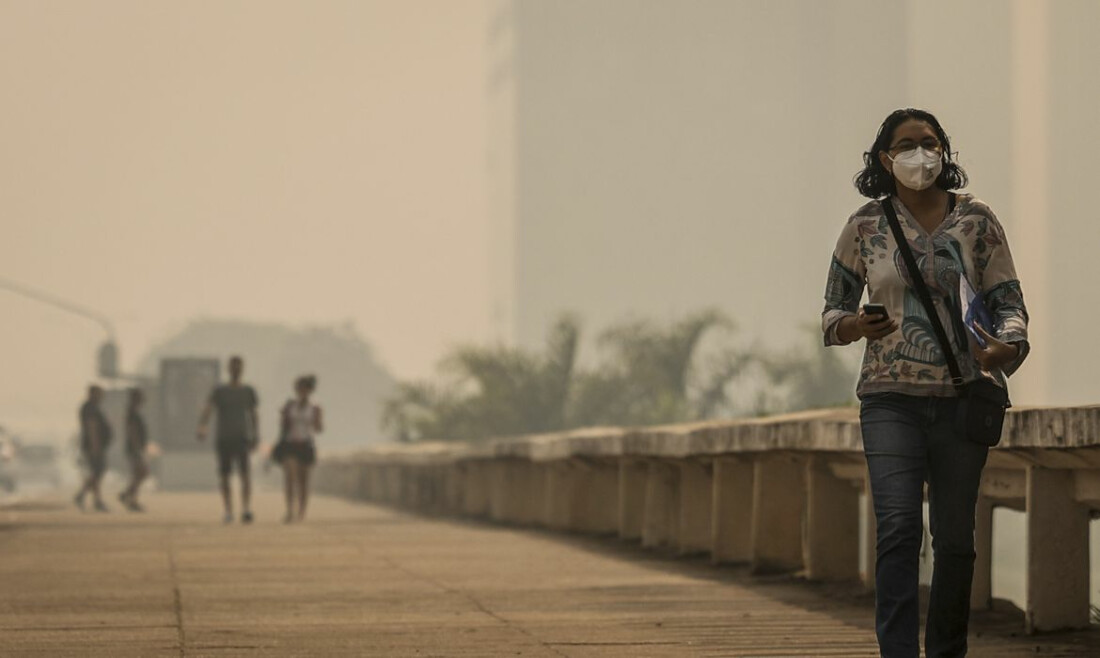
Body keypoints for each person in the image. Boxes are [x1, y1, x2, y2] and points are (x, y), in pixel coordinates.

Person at [822, 108, 1029, 658]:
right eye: (907, 144)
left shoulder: (977, 221)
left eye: (930, 142)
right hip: (890, 398)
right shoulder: (864, 225)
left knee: (956, 540)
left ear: (945, 151)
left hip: (962, 399)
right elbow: (831, 313)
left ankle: (945, 650)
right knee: (897, 528)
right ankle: (897, 651)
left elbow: (1009, 304)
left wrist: (1009, 345)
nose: (921, 154)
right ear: (885, 159)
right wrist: (854, 325)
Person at [197, 356, 260, 524]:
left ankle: (246, 508)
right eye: (233, 367)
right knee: (225, 476)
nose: (236, 370)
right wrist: (202, 426)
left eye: (238, 367)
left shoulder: (248, 391)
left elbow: (253, 414)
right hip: (224, 437)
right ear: (229, 369)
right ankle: (228, 510)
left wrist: (256, 435)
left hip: (242, 437)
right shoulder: (220, 391)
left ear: (242, 369)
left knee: (245, 474)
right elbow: (208, 409)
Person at [273, 375, 323, 523]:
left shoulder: (314, 407)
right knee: (290, 476)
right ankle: (290, 510)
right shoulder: (290, 406)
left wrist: (317, 419)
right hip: (290, 445)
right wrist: (283, 416)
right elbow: (282, 425)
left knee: (303, 481)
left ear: (310, 390)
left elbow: (319, 428)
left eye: (305, 389)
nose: (302, 391)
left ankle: (301, 511)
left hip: (306, 444)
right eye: (300, 388)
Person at [74, 385, 112, 512]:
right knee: (97, 472)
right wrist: (95, 446)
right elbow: (92, 428)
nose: (101, 397)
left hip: (95, 445)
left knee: (96, 473)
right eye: (99, 394)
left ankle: (92, 498)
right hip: (93, 446)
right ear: (93, 394)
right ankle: (86, 496)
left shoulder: (92, 407)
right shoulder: (90, 408)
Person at [119, 388, 149, 512]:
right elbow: (132, 431)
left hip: (136, 448)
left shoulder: (134, 412)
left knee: (139, 473)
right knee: (141, 472)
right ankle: (131, 499)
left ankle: (128, 496)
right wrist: (137, 448)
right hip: (134, 449)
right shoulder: (132, 413)